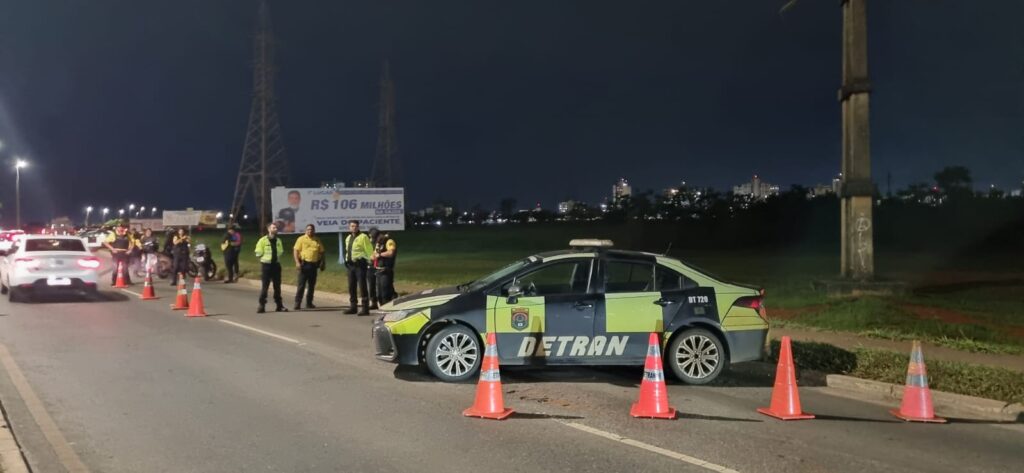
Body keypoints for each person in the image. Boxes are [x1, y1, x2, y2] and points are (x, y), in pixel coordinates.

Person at [340, 220, 374, 315]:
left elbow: (369, 250)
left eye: (355, 226)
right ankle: (353, 306)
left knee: (362, 286)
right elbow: (348, 251)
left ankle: (365, 308)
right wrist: (346, 261)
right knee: (351, 286)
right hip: (351, 266)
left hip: (360, 265)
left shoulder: (363, 237)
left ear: (358, 227)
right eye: (352, 226)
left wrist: (370, 260)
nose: (353, 228)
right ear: (349, 227)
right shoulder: (348, 238)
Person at [254, 223, 287, 313]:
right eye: (273, 228)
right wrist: (264, 257)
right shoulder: (263, 240)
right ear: (269, 229)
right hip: (266, 266)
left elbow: (280, 251)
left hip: (276, 265)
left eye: (276, 228)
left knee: (277, 287)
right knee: (265, 287)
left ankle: (279, 305)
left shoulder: (278, 240)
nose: (275, 229)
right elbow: (258, 252)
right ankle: (261, 305)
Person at [292, 224, 325, 310]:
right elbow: (296, 251)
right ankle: (297, 303)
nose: (310, 231)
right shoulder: (301, 239)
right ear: (305, 230)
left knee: (311, 285)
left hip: (313, 265)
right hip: (304, 264)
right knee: (301, 285)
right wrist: (297, 262)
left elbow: (321, 252)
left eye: (311, 229)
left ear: (314, 230)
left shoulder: (317, 240)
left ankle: (309, 303)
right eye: (308, 229)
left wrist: (322, 262)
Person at [373, 230, 398, 305]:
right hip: (378, 270)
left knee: (385, 293)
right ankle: (383, 307)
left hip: (386, 270)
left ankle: (388, 308)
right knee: (380, 294)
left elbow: (391, 253)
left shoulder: (389, 241)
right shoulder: (378, 243)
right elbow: (374, 254)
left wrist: (380, 254)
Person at [366, 227, 380, 309]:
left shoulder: (380, 242)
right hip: (370, 266)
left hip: (379, 266)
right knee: (371, 285)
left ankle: (382, 301)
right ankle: (373, 302)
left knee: (379, 285)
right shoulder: (368, 243)